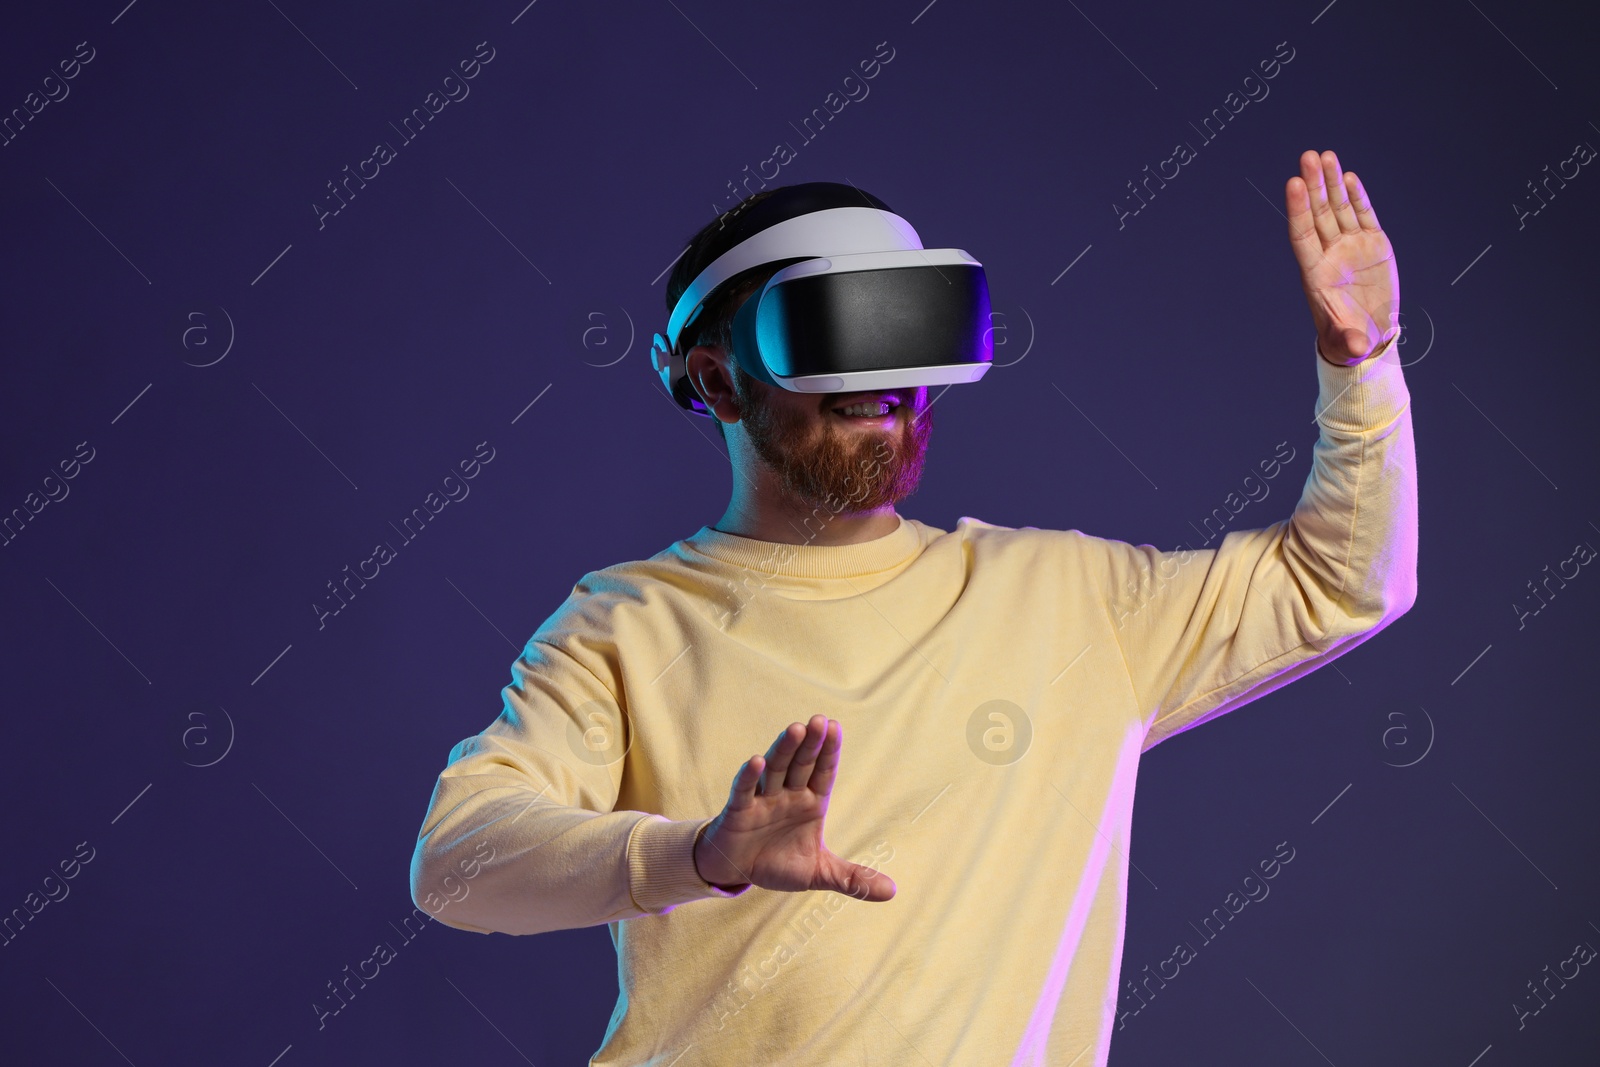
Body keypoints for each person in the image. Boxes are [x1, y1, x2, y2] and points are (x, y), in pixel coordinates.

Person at [409, 151, 1416, 1065]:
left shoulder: (1071, 599)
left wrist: (1359, 365)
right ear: (717, 380)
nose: (884, 380)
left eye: (904, 329)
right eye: (837, 335)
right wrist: (697, 854)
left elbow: (1338, 580)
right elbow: (457, 863)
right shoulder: (627, 625)